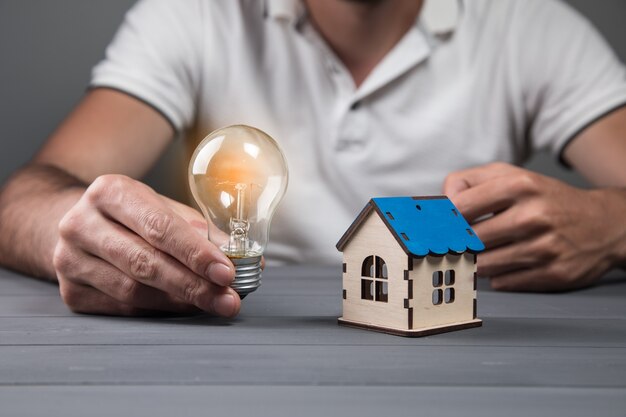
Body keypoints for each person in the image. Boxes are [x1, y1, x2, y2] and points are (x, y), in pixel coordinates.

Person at [0, 0, 625, 317]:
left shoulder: (529, 25)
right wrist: (83, 230)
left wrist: (612, 224)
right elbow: (21, 203)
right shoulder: (196, 15)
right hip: (237, 336)